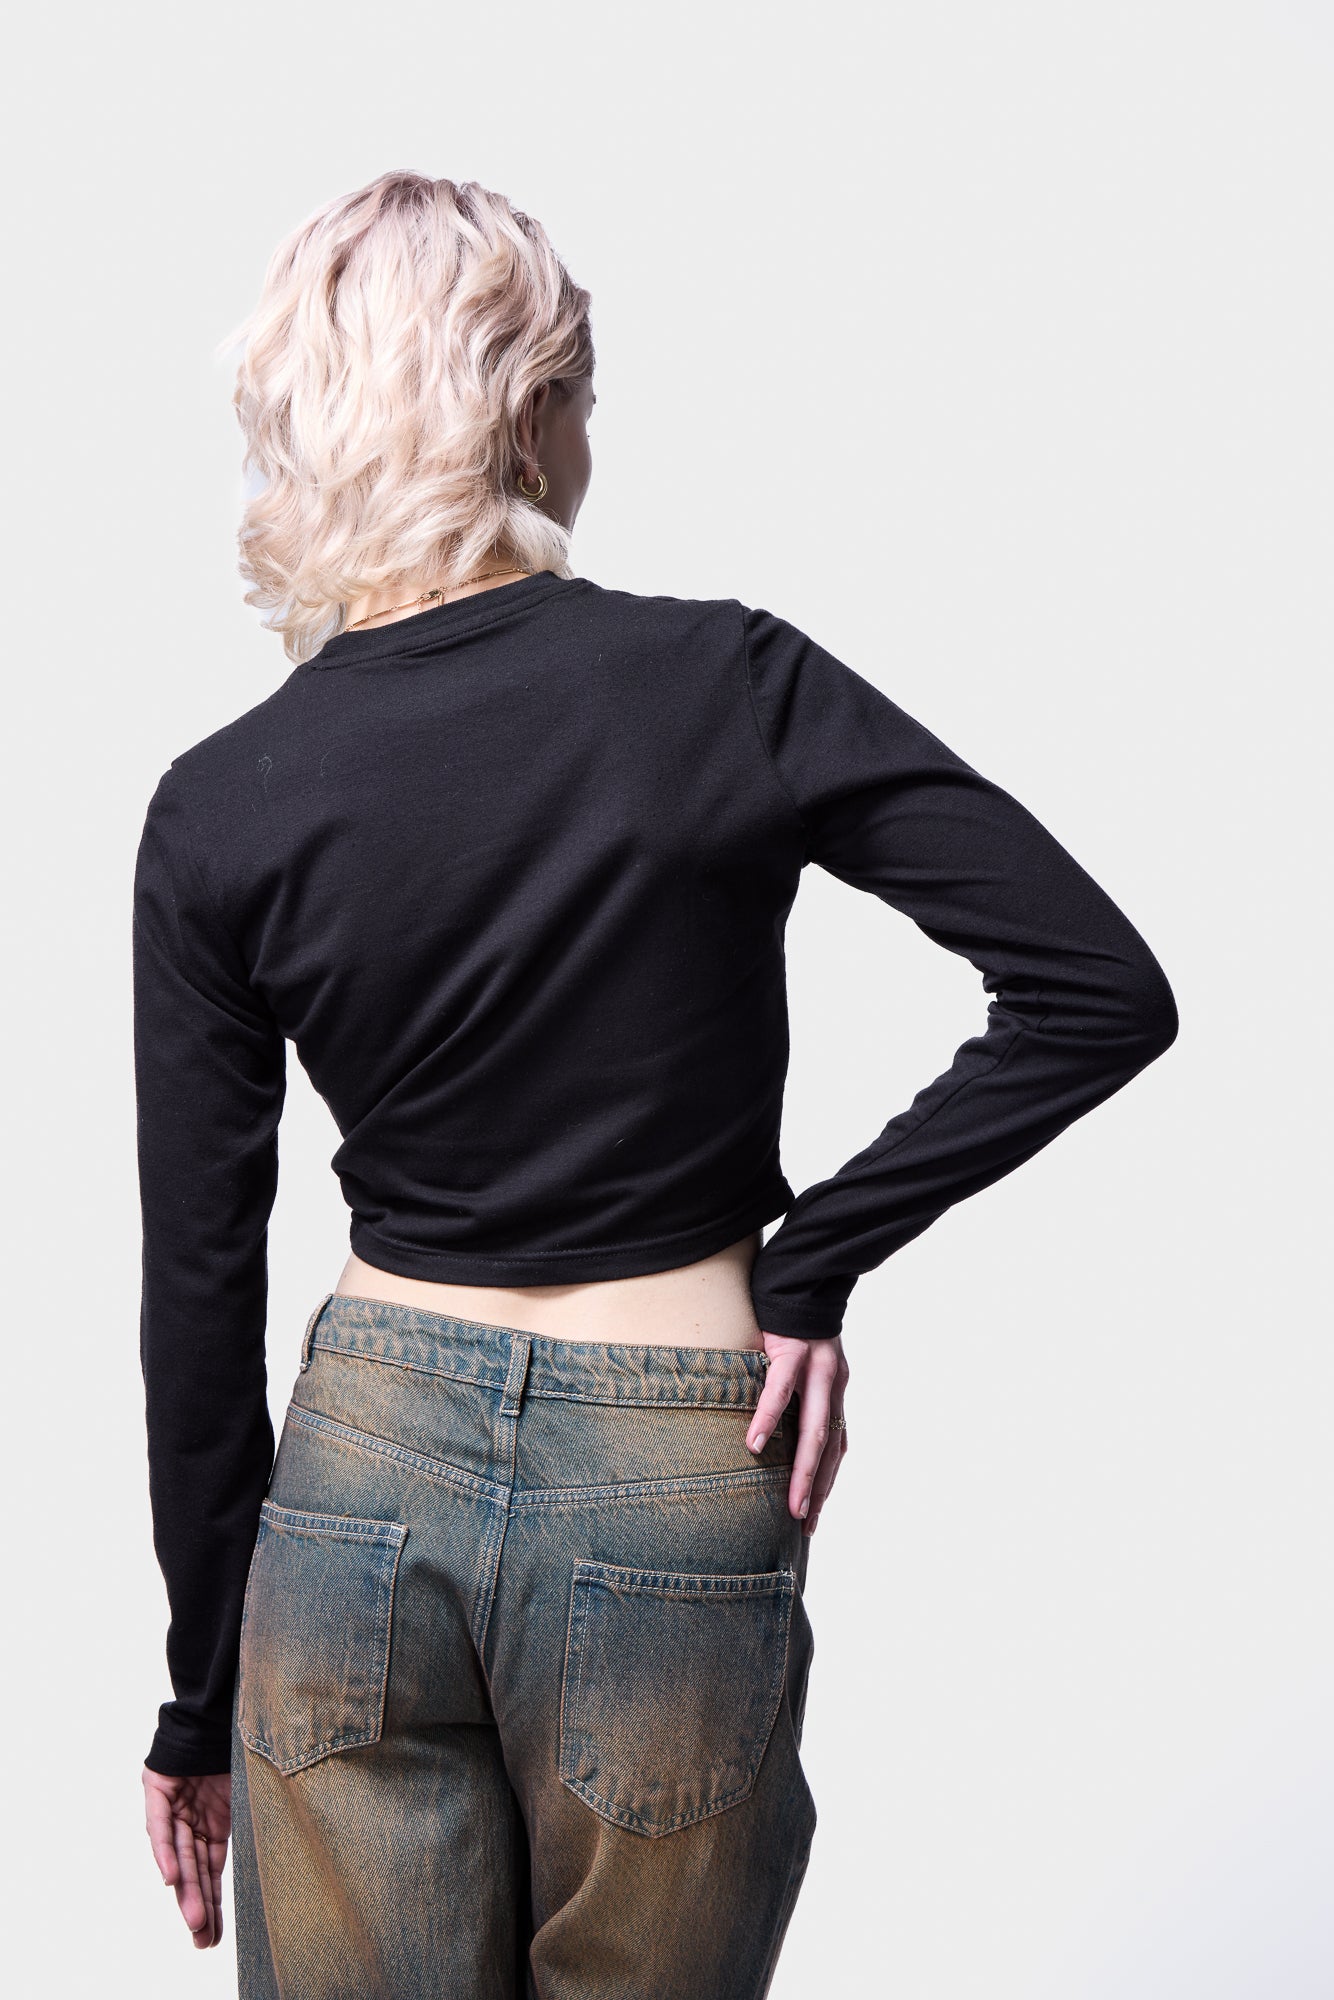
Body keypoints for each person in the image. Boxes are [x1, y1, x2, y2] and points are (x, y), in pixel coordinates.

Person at [133, 171, 1178, 1998]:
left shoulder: (221, 800)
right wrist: (808, 1265)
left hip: (359, 1468)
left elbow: (200, 1288)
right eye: (583, 394)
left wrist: (196, 1691)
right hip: (677, 1455)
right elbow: (1092, 986)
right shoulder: (723, 679)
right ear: (528, 410)